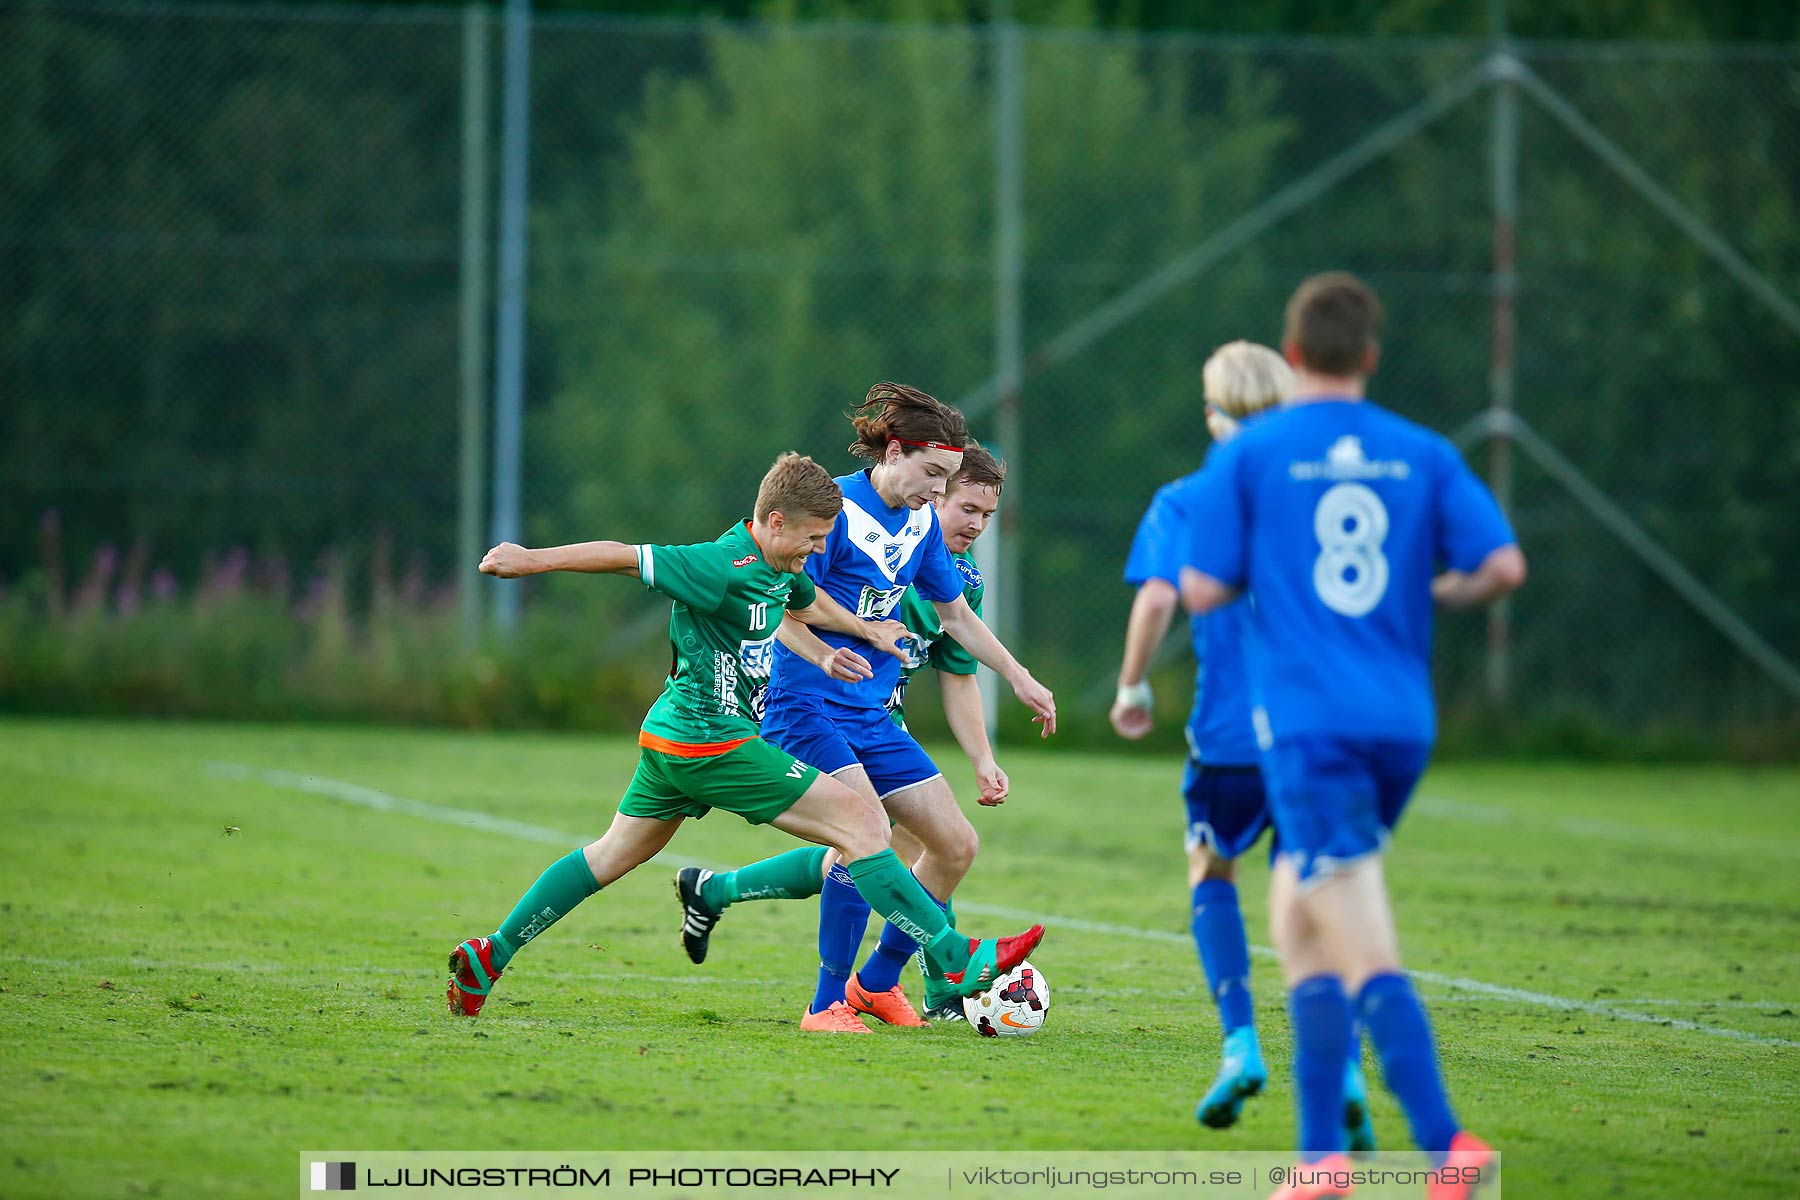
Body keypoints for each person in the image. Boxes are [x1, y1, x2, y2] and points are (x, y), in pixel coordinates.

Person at [445, 451, 1044, 1018]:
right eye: (812, 539)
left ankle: (489, 956)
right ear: (776, 521)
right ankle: (952, 955)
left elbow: (811, 608)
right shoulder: (717, 566)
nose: (818, 551)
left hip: (673, 738)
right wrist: (529, 559)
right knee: (863, 825)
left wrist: (857, 638)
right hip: (710, 741)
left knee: (607, 856)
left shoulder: (783, 568)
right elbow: (624, 556)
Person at [1177, 275, 1524, 1200]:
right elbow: (1500, 565)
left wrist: (1273, 571)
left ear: (1293, 358)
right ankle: (1322, 1156)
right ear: (1370, 357)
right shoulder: (1423, 451)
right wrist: (1425, 593)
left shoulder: (1252, 454)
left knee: (1360, 937)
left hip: (1310, 727)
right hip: (1401, 722)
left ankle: (1448, 1146)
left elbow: (1203, 588)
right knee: (1296, 916)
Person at [673, 384, 1057, 1034]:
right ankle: (827, 1003)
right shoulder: (836, 511)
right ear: (897, 452)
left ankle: (876, 985)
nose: (937, 496)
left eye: (946, 483)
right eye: (933, 476)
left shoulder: (918, 525)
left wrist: (1018, 676)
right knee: (865, 836)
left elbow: (955, 615)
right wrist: (825, 656)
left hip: (870, 715)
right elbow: (785, 605)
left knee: (956, 845)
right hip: (803, 705)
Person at [1112, 341, 1374, 1147]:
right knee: (1319, 892)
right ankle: (1351, 1070)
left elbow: (1159, 597)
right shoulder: (1322, 497)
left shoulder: (1188, 498)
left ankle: (1240, 1047)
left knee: (1211, 867)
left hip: (1229, 736)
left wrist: (1132, 684)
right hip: (1319, 730)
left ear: (1212, 412)